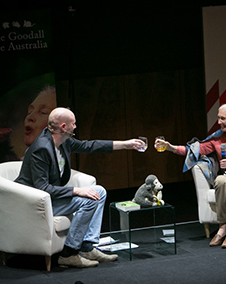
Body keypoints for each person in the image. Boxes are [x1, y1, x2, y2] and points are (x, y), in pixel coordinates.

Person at [15, 107, 145, 268]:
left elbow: (88, 146)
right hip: (36, 203)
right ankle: (69, 253)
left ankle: (87, 246)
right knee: (88, 200)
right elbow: (43, 188)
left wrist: (125, 144)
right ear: (63, 127)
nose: (75, 127)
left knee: (99, 192)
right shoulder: (42, 148)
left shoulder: (63, 141)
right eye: (73, 124)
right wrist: (76, 190)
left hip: (50, 199)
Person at [154, 102, 226, 248]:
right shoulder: (219, 138)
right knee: (219, 180)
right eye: (219, 118)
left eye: (223, 119)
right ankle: (222, 226)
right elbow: (194, 150)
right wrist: (170, 147)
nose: (219, 122)